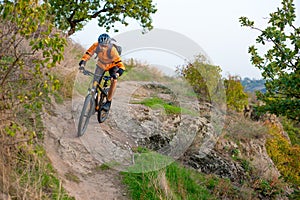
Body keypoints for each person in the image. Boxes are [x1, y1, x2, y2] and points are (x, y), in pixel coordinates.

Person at [79, 33, 125, 111]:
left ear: (108, 45)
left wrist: (117, 74)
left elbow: (121, 66)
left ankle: (108, 102)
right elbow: (88, 54)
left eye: (105, 46)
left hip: (112, 66)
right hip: (101, 65)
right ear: (99, 44)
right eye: (101, 45)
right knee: (95, 84)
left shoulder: (112, 50)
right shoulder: (95, 45)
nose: (103, 48)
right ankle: (93, 104)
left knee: (113, 80)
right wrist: (82, 65)